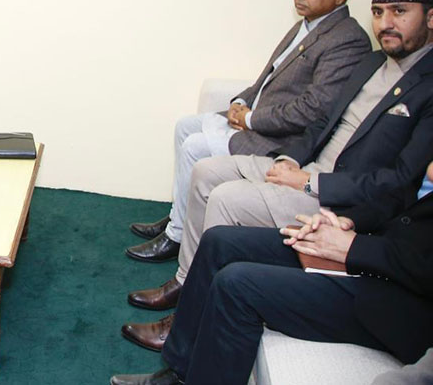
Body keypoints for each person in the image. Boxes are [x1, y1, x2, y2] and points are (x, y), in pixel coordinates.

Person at [123, 0, 433, 351]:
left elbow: (400, 180)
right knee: (205, 172)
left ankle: (188, 318)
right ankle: (186, 284)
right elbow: (322, 122)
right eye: (379, 12)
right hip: (304, 166)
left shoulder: (426, 85)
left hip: (338, 197)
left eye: (400, 11)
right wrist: (291, 160)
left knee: (225, 198)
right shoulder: (372, 63)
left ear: (430, 17)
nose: (386, 23)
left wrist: (310, 181)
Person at [127, 0, 370, 264]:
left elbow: (314, 109)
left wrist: (251, 118)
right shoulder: (306, 25)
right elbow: (268, 77)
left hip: (282, 139)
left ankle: (176, 236)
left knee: (195, 147)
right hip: (260, 121)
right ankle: (181, 215)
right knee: (185, 126)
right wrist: (240, 102)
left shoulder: (347, 39)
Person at [109, 160, 433, 385]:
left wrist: (354, 248)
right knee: (220, 241)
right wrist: (349, 222)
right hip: (377, 249)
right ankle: (179, 369)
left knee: (237, 285)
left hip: (403, 301)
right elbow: (403, 196)